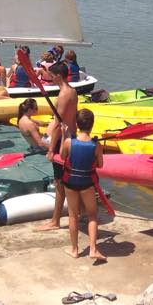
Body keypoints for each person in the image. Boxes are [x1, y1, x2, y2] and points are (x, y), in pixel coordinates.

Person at [60, 108, 107, 262]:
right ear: (92, 125)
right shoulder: (96, 145)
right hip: (87, 183)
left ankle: (74, 250)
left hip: (70, 182)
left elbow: (62, 156)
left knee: (73, 216)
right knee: (92, 215)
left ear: (77, 124)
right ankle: (93, 249)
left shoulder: (69, 142)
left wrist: (63, 136)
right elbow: (100, 165)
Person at [37, 62, 78, 232]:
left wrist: (51, 148)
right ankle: (76, 213)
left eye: (52, 76)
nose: (51, 78)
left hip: (62, 141)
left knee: (60, 183)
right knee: (68, 181)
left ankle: (55, 221)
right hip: (72, 138)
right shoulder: (73, 91)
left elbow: (58, 125)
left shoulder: (63, 95)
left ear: (59, 76)